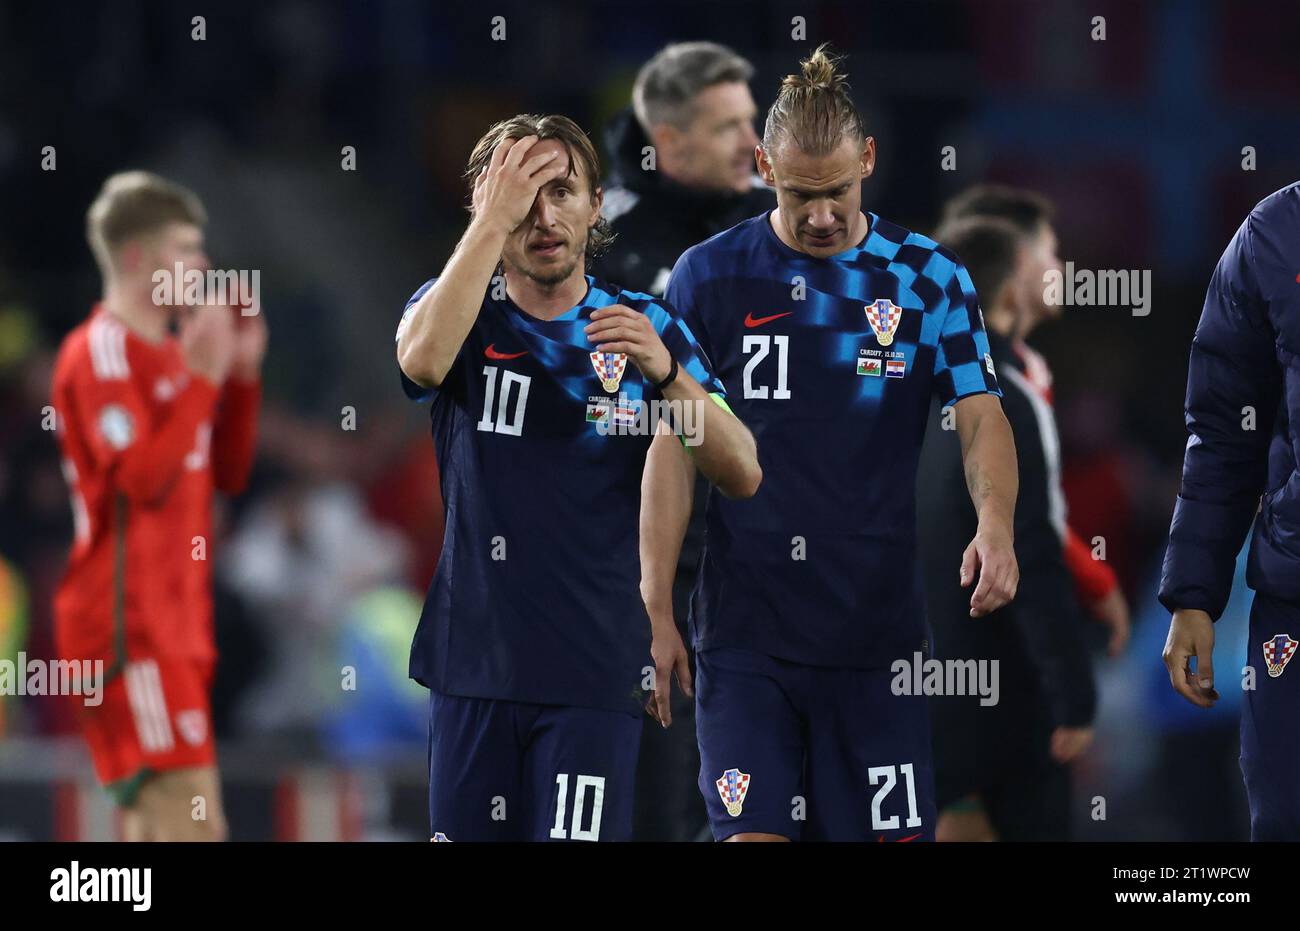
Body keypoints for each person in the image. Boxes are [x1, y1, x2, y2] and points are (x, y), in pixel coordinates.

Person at [642, 45, 1019, 842]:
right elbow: (674, 443)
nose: (821, 215)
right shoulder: (706, 278)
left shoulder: (928, 279)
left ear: (870, 161)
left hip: (876, 643)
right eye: (800, 193)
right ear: (762, 165)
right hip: (747, 639)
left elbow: (981, 411)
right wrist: (655, 604)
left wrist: (996, 524)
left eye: (838, 192)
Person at [395, 113, 760, 842]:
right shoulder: (459, 314)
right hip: (473, 667)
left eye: (562, 190)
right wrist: (488, 225)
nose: (543, 214)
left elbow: (742, 467)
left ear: (597, 207)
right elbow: (423, 363)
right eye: (521, 193)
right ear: (487, 204)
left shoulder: (646, 325)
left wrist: (667, 373)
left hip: (595, 672)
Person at [51, 171, 266, 840]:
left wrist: (240, 374)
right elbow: (139, 479)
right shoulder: (102, 352)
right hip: (128, 630)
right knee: (194, 825)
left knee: (153, 832)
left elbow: (227, 473)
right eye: (184, 248)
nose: (201, 264)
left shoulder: (173, 357)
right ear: (137, 256)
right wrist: (204, 375)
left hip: (175, 628)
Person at [597, 40, 774, 842]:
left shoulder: (770, 225)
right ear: (669, 142)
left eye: (753, 120)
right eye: (731, 126)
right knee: (659, 812)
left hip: (750, 580)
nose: (753, 143)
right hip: (628, 588)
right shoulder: (590, 241)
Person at [917, 217, 1097, 841]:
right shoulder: (1004, 397)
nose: (1060, 269)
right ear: (1013, 286)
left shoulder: (901, 388)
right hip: (1002, 699)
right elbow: (1036, 556)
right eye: (1045, 256)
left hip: (909, 685)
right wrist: (1073, 691)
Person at [1159, 181, 1300, 841]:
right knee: (1283, 818)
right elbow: (1222, 431)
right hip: (1294, 595)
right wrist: (1194, 594)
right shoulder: (1272, 235)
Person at [940, 185, 1130, 657]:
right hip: (955, 608)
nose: (1061, 268)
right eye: (1050, 251)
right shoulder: (970, 375)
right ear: (1018, 264)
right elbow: (1034, 520)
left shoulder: (1028, 369)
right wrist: (1099, 584)